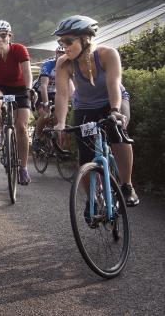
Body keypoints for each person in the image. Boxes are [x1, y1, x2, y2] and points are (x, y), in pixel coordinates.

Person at [52, 15, 139, 206]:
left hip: (113, 102)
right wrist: (60, 122)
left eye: (68, 41)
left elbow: (114, 84)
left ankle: (127, 186)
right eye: (61, 41)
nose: (64, 46)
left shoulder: (108, 54)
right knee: (85, 158)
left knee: (118, 135)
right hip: (85, 108)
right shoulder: (64, 63)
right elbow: (62, 95)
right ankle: (92, 202)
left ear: (86, 38)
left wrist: (115, 111)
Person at [0, 19, 34, 185]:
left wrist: (29, 88)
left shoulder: (19, 49)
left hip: (20, 87)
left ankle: (23, 168)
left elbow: (27, 72)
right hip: (0, 85)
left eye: (3, 35)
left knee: (21, 128)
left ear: (10, 36)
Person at [31, 46, 65, 150]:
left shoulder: (67, 65)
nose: (61, 55)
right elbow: (44, 86)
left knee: (57, 117)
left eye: (64, 53)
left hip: (54, 92)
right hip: (40, 92)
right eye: (59, 53)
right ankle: (36, 138)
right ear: (56, 54)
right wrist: (46, 104)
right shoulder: (48, 64)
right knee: (45, 114)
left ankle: (56, 145)